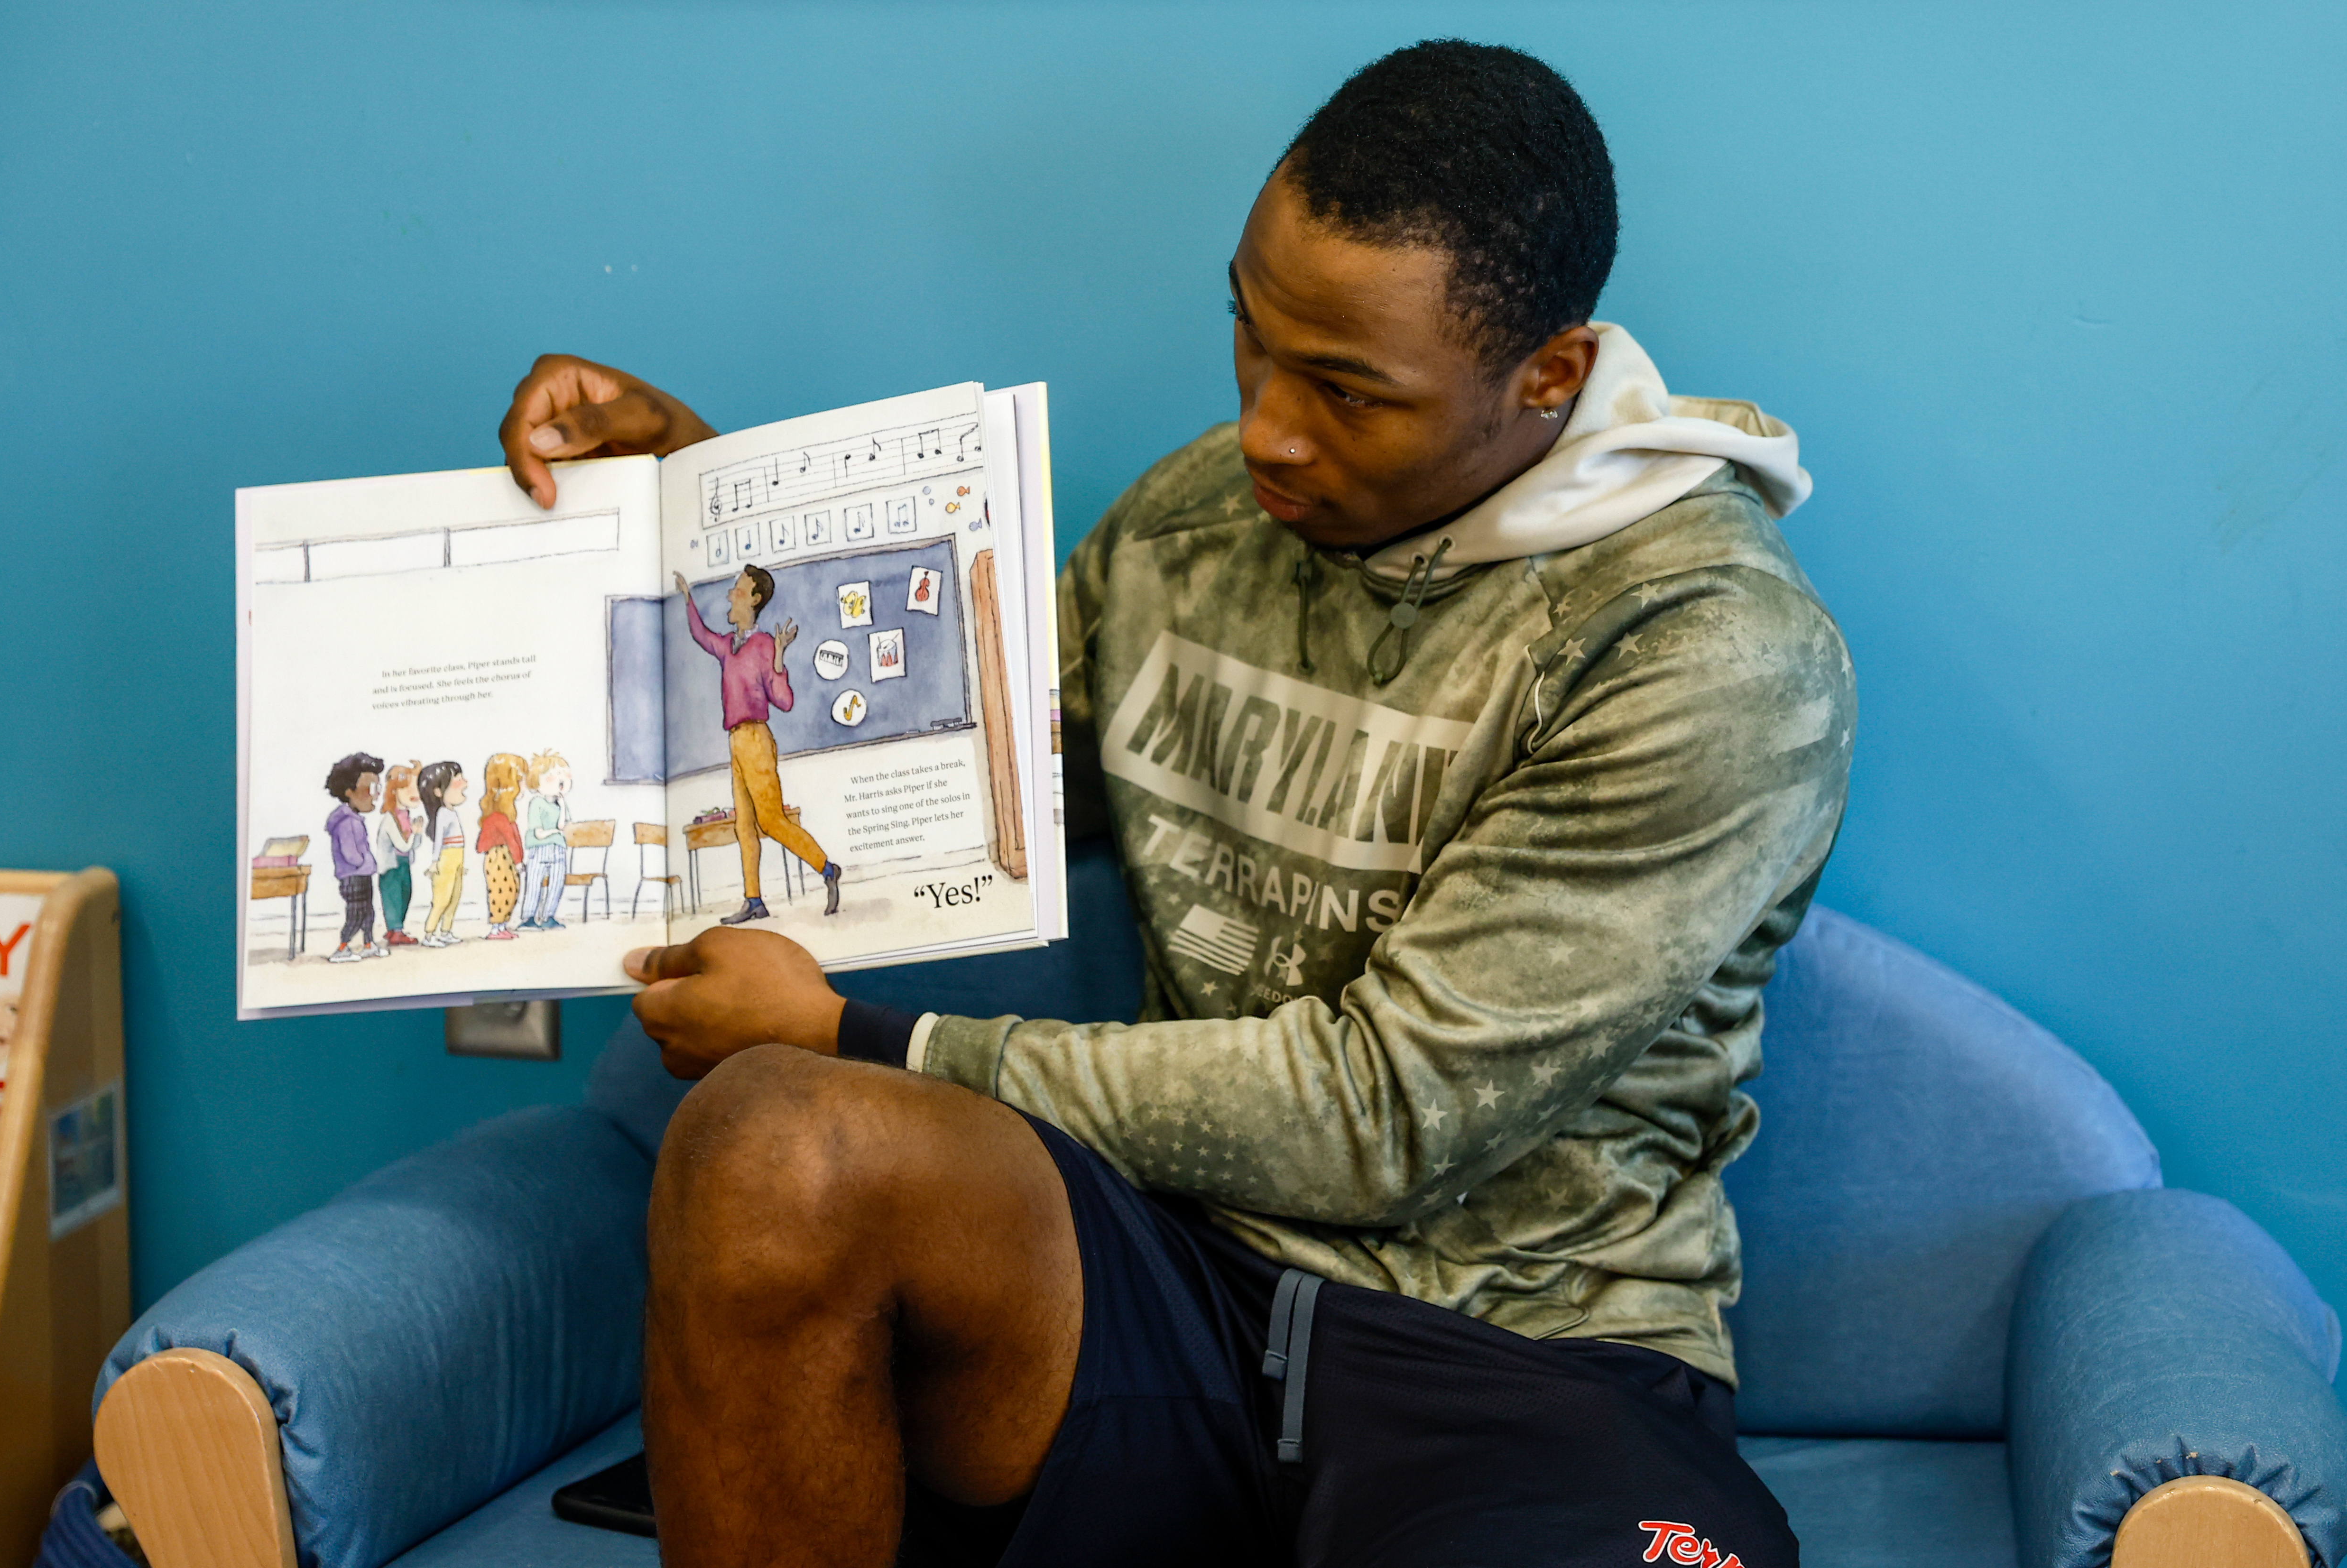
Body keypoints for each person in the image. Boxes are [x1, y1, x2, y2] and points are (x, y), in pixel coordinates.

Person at [501, 41, 1851, 1568]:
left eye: (1347, 390)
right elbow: (944, 796)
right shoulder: (1200, 515)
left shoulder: (1701, 648)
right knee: (767, 1138)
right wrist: (703, 510)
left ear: (1546, 377)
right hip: (1147, 1276)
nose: (1271, 427)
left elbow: (1385, 1115)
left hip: (1517, 1353)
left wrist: (868, 1038)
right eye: (1251, 337)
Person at [673, 564, 845, 921]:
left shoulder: (765, 644)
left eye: (737, 589)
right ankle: (754, 901)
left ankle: (827, 868)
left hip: (756, 740)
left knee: (771, 821)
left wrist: (780, 656)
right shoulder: (727, 646)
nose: (729, 595)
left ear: (753, 599)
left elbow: (784, 701)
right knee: (743, 826)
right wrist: (688, 598)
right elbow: (700, 635)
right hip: (735, 741)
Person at [322, 752, 387, 965]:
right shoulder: (346, 821)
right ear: (349, 791)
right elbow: (350, 853)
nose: (376, 795)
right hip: (354, 876)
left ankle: (369, 944)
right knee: (356, 914)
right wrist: (363, 862)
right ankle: (342, 948)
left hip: (364, 874)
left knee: (368, 913)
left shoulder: (355, 819)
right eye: (371, 789)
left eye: (378, 789)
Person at [517, 749, 574, 932]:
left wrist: (563, 804)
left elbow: (561, 826)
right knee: (534, 883)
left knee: (557, 884)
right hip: (539, 850)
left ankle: (549, 917)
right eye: (553, 777)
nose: (560, 781)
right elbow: (539, 833)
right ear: (537, 782)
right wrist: (554, 832)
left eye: (563, 776)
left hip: (558, 850)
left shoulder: (559, 804)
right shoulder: (537, 802)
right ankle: (529, 919)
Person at [414, 760, 469, 947]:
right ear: (438, 792)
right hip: (446, 860)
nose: (465, 784)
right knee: (442, 900)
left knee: (455, 898)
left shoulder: (451, 812)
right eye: (458, 781)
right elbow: (439, 840)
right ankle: (429, 935)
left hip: (456, 860)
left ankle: (446, 931)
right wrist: (435, 861)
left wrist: (460, 864)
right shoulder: (443, 814)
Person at [476, 752, 527, 941]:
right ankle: (496, 928)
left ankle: (502, 926)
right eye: (520, 780)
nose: (524, 786)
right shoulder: (498, 815)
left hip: (506, 858)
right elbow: (510, 839)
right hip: (500, 858)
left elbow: (515, 839)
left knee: (511, 889)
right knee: (502, 891)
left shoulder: (507, 812)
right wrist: (519, 861)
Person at [374, 760, 423, 947]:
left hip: (404, 863)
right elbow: (403, 845)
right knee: (393, 897)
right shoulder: (389, 819)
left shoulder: (406, 816)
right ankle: (395, 931)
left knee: (406, 894)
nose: (415, 793)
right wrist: (415, 835)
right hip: (391, 866)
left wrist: (417, 834)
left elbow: (413, 846)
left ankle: (397, 930)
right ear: (394, 791)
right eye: (407, 788)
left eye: (416, 788)